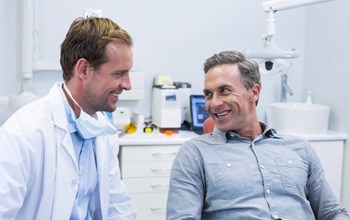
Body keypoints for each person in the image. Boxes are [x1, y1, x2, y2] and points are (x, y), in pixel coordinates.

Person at [166, 50, 349, 220]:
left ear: (254, 92)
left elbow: (332, 212)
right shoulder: (194, 153)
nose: (213, 103)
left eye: (224, 91)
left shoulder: (299, 148)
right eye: (208, 94)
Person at [0, 17, 136, 219]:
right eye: (119, 74)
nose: (127, 85)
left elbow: (117, 206)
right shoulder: (23, 133)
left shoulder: (103, 131)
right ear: (83, 70)